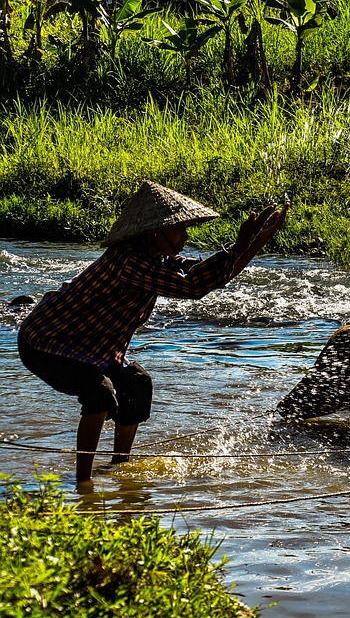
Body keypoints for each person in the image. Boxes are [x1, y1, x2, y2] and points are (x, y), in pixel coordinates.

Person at [16, 181, 288, 484]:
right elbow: (193, 287)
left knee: (136, 384)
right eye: (179, 230)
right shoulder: (128, 261)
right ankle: (84, 483)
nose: (185, 237)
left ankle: (119, 466)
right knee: (99, 392)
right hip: (46, 341)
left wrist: (256, 241)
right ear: (157, 231)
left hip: (92, 346)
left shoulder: (157, 259)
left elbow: (211, 277)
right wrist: (241, 242)